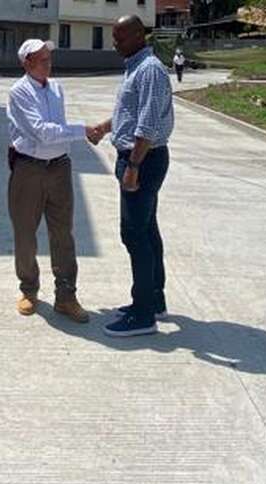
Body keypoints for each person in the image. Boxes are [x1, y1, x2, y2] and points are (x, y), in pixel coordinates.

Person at [6, 38, 103, 323]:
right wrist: (84, 130)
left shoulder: (57, 88)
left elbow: (58, 129)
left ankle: (66, 296)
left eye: (49, 59)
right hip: (29, 169)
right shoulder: (19, 92)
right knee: (25, 233)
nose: (49, 64)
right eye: (43, 60)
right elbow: (42, 132)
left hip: (59, 168)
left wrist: (77, 133)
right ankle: (29, 289)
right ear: (27, 63)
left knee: (63, 234)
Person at [91, 16, 175, 337]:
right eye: (114, 38)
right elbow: (131, 113)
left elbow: (147, 124)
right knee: (147, 230)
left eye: (121, 38)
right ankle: (153, 300)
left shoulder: (150, 69)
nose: (115, 44)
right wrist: (105, 126)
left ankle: (142, 315)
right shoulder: (136, 66)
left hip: (144, 159)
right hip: (140, 157)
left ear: (140, 35)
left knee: (134, 235)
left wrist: (134, 167)